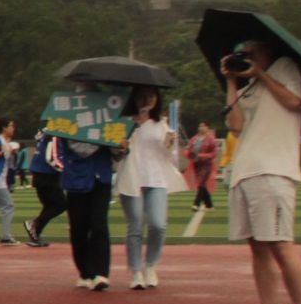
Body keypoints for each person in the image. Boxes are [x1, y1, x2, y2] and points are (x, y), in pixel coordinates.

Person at [223, 37, 301, 304]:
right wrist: (231, 81)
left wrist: (261, 74)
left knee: (280, 243)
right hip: (245, 169)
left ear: (266, 52)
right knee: (257, 245)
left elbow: (295, 101)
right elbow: (235, 124)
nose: (245, 58)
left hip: (274, 169)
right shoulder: (247, 87)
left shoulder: (285, 68)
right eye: (241, 54)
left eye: (250, 53)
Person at [116, 88, 178, 290]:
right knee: (135, 226)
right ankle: (135, 271)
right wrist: (120, 146)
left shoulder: (160, 123)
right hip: (131, 178)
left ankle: (150, 264)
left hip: (156, 179)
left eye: (153, 96)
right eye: (145, 96)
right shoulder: (126, 123)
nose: (149, 100)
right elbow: (116, 152)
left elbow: (168, 153)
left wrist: (170, 143)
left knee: (158, 225)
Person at [54, 133, 114, 289]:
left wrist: (120, 147)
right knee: (79, 228)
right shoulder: (69, 125)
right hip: (77, 178)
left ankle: (101, 273)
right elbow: (80, 149)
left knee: (99, 223)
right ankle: (85, 272)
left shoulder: (107, 122)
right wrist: (104, 140)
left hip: (101, 177)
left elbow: (117, 154)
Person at [188, 121, 221, 210]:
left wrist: (203, 156)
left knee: (201, 182)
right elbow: (189, 149)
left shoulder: (211, 139)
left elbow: (214, 153)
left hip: (206, 164)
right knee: (202, 184)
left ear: (207, 128)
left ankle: (196, 204)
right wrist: (189, 152)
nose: (201, 128)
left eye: (203, 126)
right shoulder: (194, 139)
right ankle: (209, 205)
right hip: (196, 164)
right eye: (200, 126)